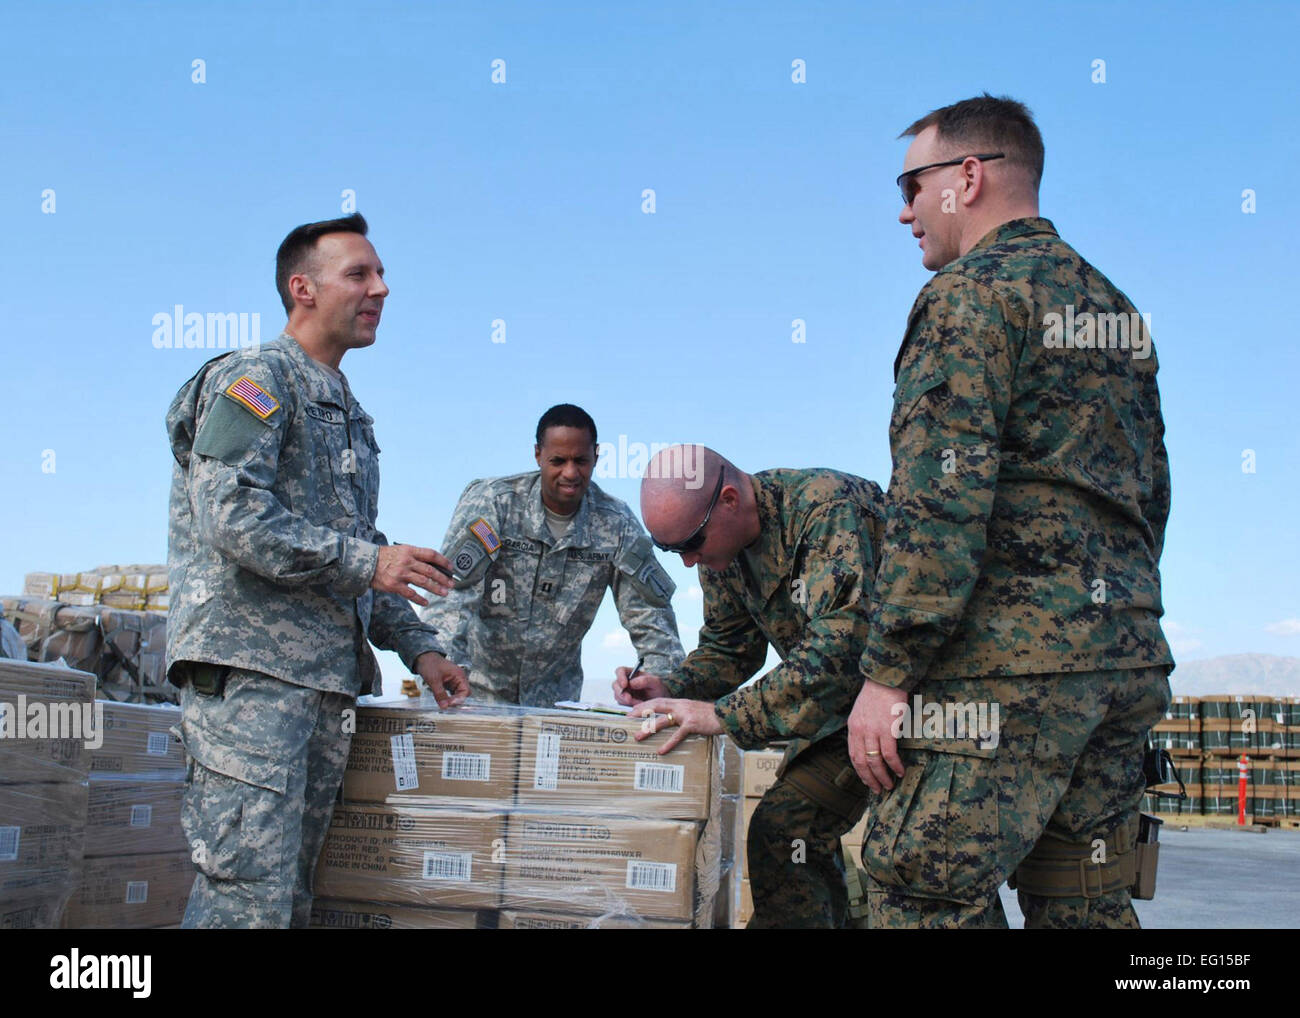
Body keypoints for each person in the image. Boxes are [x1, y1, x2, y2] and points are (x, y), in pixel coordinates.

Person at [846, 95, 1173, 929]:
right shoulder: (1114, 310)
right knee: (1085, 899)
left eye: (911, 184)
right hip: (1122, 662)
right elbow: (1150, 494)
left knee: (917, 890)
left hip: (1007, 673)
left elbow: (937, 502)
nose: (904, 209)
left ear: (968, 176)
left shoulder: (969, 297)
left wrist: (888, 674)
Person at [165, 213, 469, 929]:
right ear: (302, 288)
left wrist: (421, 648)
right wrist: (372, 560)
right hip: (252, 681)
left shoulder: (349, 412)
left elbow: (359, 551)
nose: (382, 288)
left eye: (381, 273)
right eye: (359, 274)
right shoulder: (255, 379)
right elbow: (232, 516)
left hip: (322, 685)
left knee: (293, 901)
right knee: (247, 900)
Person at [616, 445, 884, 929]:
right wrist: (670, 687)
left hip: (924, 701)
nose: (689, 561)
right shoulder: (722, 549)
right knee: (785, 829)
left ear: (731, 499)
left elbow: (839, 654)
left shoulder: (826, 510)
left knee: (920, 863)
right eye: (671, 550)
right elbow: (730, 646)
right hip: (847, 711)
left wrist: (720, 716)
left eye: (692, 544)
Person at [418, 404, 684, 705]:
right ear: (537, 455)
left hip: (555, 705)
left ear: (596, 456)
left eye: (581, 461)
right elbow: (451, 594)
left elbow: (652, 618)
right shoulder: (495, 504)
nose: (570, 473)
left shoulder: (616, 524)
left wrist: (662, 686)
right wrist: (442, 679)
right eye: (558, 461)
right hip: (475, 696)